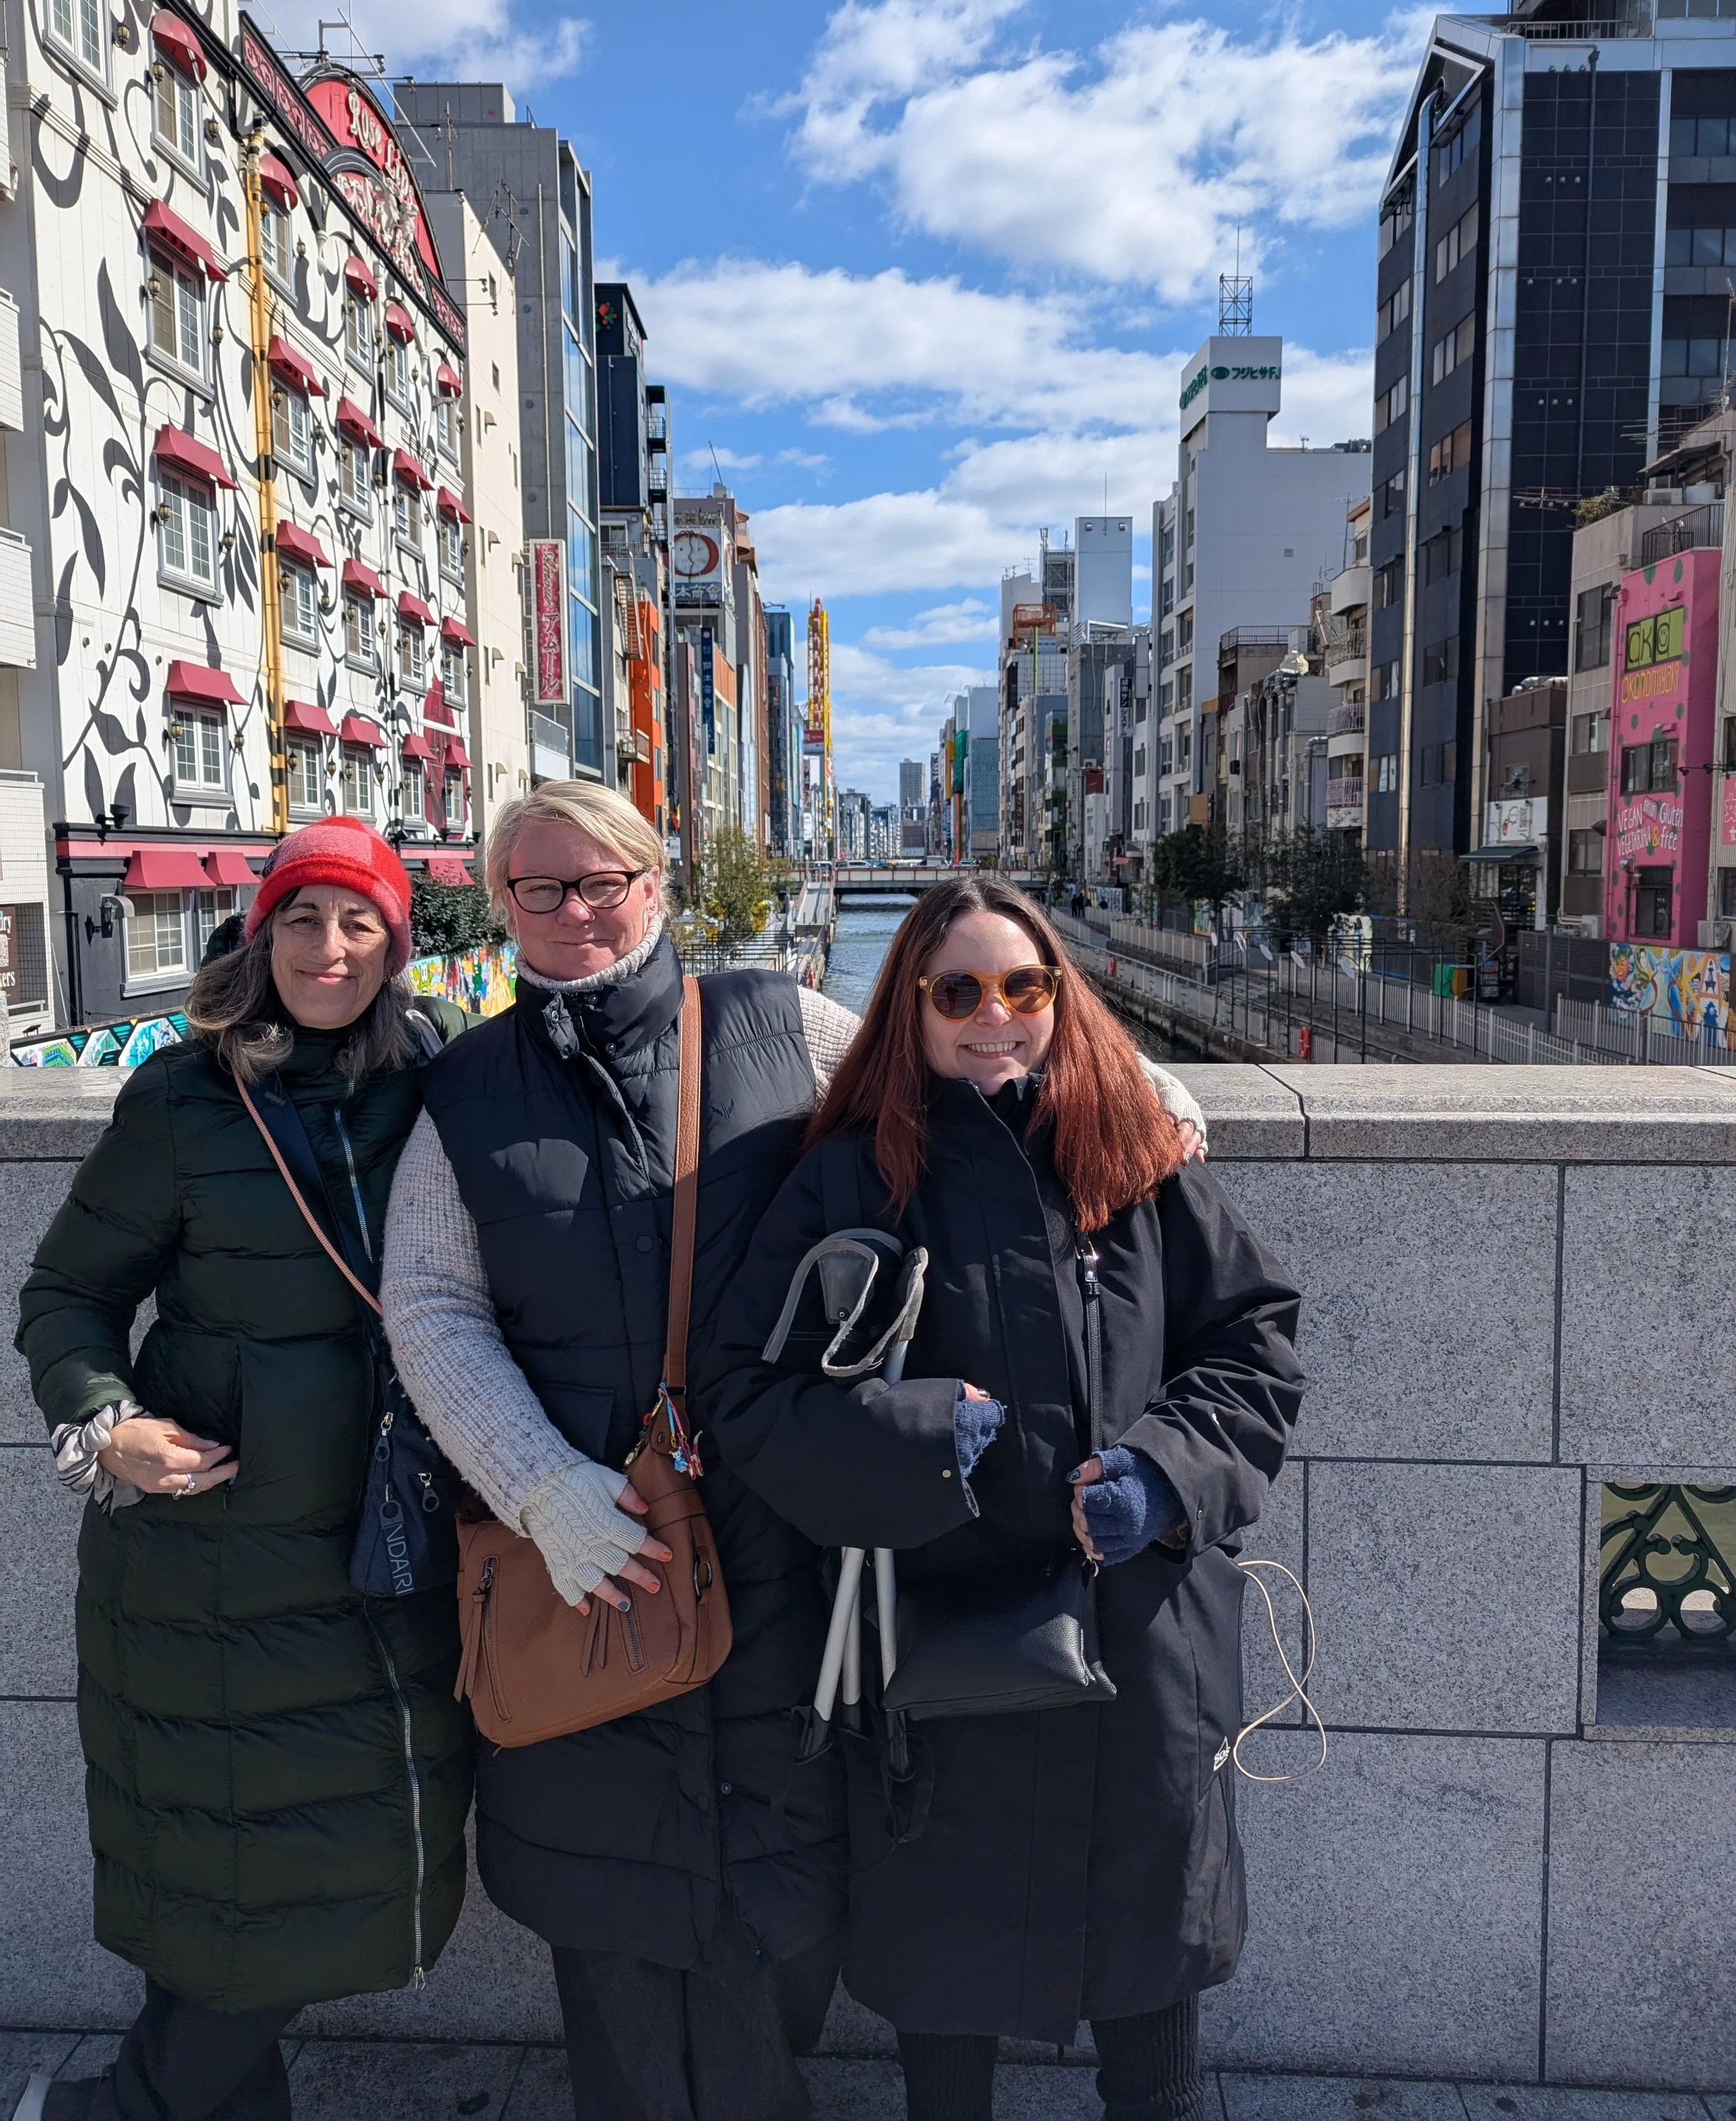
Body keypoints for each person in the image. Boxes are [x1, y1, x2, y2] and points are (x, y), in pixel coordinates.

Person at [378, 787, 1209, 2121]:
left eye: (603, 882)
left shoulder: (773, 1022)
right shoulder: (464, 1091)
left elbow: (963, 1061)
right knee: (617, 1924)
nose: (575, 912)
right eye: (539, 890)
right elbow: (430, 1305)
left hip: (785, 1540)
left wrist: (1146, 1102)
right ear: (501, 905)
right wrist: (537, 1484)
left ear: (657, 883)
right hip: (596, 1554)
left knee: (786, 1893)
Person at [693, 874, 1304, 2121]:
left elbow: (1252, 1344)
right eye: (957, 990)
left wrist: (1163, 1470)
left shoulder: (1133, 1151)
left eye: (1025, 986)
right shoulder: (849, 1176)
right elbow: (742, 1397)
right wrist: (923, 1443)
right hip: (935, 1657)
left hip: (1142, 1646)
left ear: (1059, 997)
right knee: (945, 1993)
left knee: (1155, 1986)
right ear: (909, 1008)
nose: (995, 1016)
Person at [13, 819, 473, 2121]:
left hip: (384, 1548)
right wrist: (107, 1425)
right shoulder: (184, 1095)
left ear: (398, 941)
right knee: (247, 1892)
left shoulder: (444, 1077)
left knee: (282, 1886)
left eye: (359, 923)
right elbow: (65, 1295)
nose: (327, 950)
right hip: (209, 1559)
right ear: (259, 934)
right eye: (300, 921)